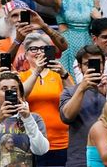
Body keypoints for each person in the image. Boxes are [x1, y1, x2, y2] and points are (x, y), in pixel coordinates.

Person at [32, 0, 101, 80]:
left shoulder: (93, 0)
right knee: (67, 83)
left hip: (87, 45)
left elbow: (100, 28)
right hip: (66, 46)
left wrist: (99, 18)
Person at [0, 72, 49, 167]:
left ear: (20, 94)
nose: (9, 92)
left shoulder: (34, 118)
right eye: (4, 89)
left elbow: (41, 150)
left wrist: (28, 119)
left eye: (14, 89)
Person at [18, 32, 73, 166]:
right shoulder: (20, 76)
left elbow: (75, 96)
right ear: (25, 54)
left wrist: (64, 74)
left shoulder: (59, 74)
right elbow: (21, 96)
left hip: (61, 142)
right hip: (30, 142)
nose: (39, 52)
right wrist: (36, 71)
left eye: (43, 48)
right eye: (33, 49)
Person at [59, 44, 107, 167]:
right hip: (80, 160)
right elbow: (66, 117)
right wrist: (81, 89)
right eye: (87, 64)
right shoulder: (69, 92)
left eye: (98, 63)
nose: (93, 68)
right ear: (80, 67)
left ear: (104, 65)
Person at [0, 0, 67, 72]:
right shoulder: (1, 45)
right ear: (7, 21)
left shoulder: (43, 39)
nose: (19, 19)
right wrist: (18, 40)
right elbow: (2, 67)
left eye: (23, 15)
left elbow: (64, 47)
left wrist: (44, 26)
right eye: (14, 16)